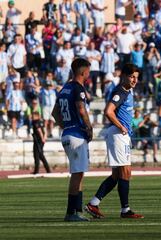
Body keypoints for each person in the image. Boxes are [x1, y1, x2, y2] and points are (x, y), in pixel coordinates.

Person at [84, 63, 143, 219]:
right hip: (118, 134)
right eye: (131, 77)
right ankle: (125, 210)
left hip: (120, 135)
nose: (134, 80)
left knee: (118, 175)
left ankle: (93, 203)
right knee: (125, 171)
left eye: (136, 77)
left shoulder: (128, 91)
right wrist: (122, 126)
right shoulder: (120, 92)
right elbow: (108, 111)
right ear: (123, 76)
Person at [51, 58, 93, 222]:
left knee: (79, 172)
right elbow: (81, 109)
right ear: (83, 72)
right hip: (76, 134)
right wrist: (89, 128)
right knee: (77, 174)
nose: (89, 74)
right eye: (88, 72)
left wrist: (66, 126)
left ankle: (76, 210)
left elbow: (55, 113)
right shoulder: (77, 88)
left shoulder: (64, 88)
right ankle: (71, 213)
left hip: (68, 133)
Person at [31, 109, 51, 174]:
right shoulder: (41, 121)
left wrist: (42, 138)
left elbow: (39, 130)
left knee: (38, 155)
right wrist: (44, 137)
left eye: (33, 115)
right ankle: (46, 169)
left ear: (36, 116)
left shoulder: (35, 122)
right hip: (41, 140)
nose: (32, 117)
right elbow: (44, 130)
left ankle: (37, 171)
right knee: (40, 154)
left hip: (38, 140)